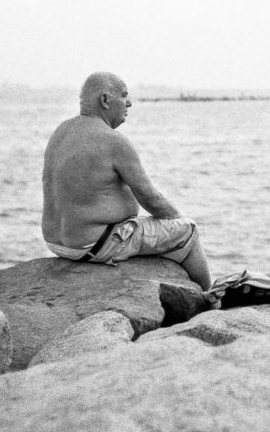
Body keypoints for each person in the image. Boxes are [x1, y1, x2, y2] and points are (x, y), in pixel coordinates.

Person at [41, 71, 213, 292]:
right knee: (188, 231)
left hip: (57, 243)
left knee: (161, 231)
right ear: (105, 100)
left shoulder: (60, 131)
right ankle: (207, 299)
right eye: (124, 96)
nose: (129, 103)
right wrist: (176, 225)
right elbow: (151, 199)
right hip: (96, 244)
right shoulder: (113, 141)